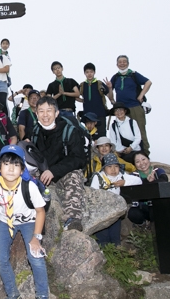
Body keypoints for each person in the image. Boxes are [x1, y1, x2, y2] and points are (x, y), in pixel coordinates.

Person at [0, 145, 53, 299]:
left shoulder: (28, 186)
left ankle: (43, 296)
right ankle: (13, 295)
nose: (11, 168)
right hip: (6, 221)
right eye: (7, 163)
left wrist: (36, 237)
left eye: (16, 165)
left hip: (29, 221)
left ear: (22, 169)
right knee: (0, 258)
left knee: (35, 257)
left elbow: (40, 211)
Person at [31, 96, 86, 231]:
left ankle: (72, 218)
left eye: (49, 111)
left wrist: (54, 171)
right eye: (41, 111)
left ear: (56, 113)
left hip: (64, 171)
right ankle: (31, 218)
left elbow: (78, 158)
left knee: (75, 176)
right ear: (36, 114)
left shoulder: (70, 131)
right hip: (44, 171)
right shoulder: (36, 131)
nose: (45, 115)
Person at [89, 153, 141, 246]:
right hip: (101, 212)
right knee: (102, 237)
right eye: (109, 166)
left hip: (116, 213)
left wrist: (125, 182)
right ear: (104, 168)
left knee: (115, 237)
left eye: (116, 166)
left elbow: (138, 181)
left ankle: (116, 251)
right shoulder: (98, 177)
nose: (113, 169)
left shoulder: (121, 176)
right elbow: (93, 194)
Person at [109, 55, 152, 155]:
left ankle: (145, 154)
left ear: (128, 63)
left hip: (135, 106)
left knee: (140, 131)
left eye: (124, 61)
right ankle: (127, 154)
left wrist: (141, 95)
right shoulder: (116, 77)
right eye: (120, 62)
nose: (122, 63)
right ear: (117, 64)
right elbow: (110, 95)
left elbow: (148, 82)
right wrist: (110, 89)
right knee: (123, 132)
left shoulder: (133, 74)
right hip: (121, 109)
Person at [127, 152, 168, 226]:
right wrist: (147, 181)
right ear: (134, 165)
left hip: (157, 205)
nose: (142, 163)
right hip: (141, 206)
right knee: (133, 213)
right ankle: (143, 225)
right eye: (137, 162)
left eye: (143, 159)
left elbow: (164, 180)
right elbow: (135, 189)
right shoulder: (133, 176)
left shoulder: (158, 171)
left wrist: (151, 182)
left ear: (148, 159)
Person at [78, 62, 112, 137]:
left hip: (100, 114)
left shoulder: (100, 84)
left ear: (94, 72)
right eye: (87, 72)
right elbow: (75, 95)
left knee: (102, 136)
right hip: (88, 116)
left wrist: (110, 88)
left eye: (91, 72)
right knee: (89, 137)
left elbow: (110, 97)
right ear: (84, 73)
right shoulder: (82, 85)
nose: (89, 74)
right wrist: (81, 100)